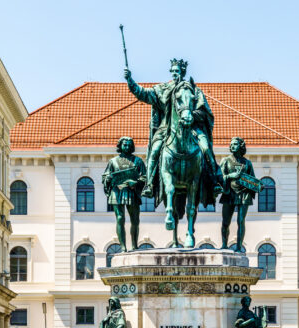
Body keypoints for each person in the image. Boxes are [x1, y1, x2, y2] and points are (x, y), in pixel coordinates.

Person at [124, 59, 222, 199]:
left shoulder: (194, 90)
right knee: (155, 150)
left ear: (183, 72)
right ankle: (149, 183)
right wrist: (130, 80)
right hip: (166, 129)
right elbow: (143, 94)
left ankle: (214, 181)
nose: (176, 73)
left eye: (179, 71)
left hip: (192, 129)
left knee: (206, 148)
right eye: (174, 71)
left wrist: (191, 115)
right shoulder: (162, 89)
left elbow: (204, 112)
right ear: (171, 72)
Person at [102, 137, 146, 252]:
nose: (127, 147)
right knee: (120, 218)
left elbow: (145, 177)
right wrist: (108, 178)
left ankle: (134, 246)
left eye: (129, 145)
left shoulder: (138, 161)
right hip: (117, 191)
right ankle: (123, 247)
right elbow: (105, 176)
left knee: (135, 220)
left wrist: (136, 182)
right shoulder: (113, 161)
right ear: (120, 146)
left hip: (132, 191)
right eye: (125, 145)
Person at [219, 137, 257, 252]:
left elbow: (253, 180)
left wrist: (257, 185)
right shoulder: (225, 161)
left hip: (244, 194)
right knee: (226, 221)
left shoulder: (247, 163)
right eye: (231, 144)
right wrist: (231, 176)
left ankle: (239, 247)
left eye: (235, 144)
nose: (232, 146)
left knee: (241, 221)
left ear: (240, 146)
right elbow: (220, 178)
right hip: (229, 193)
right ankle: (224, 245)